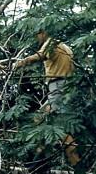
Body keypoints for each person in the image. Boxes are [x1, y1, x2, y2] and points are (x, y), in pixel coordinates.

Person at [12, 28, 80, 166]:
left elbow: (39, 56)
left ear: (43, 33)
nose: (37, 38)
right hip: (64, 87)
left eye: (38, 35)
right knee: (39, 119)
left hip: (58, 87)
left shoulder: (52, 43)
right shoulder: (64, 46)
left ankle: (78, 168)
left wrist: (18, 63)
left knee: (61, 128)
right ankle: (36, 162)